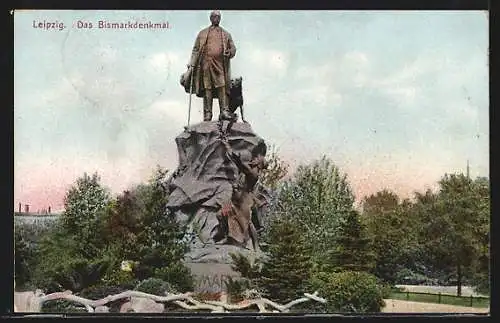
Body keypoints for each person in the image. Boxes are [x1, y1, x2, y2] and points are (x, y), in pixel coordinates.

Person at [187, 10, 237, 121]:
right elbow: (195, 49)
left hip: (220, 64)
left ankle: (224, 110)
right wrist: (192, 63)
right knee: (207, 88)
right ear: (211, 18)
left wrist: (230, 52)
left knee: (222, 86)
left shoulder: (226, 34)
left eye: (218, 17)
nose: (217, 19)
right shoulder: (203, 33)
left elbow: (233, 48)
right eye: (214, 17)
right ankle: (207, 114)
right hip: (206, 64)